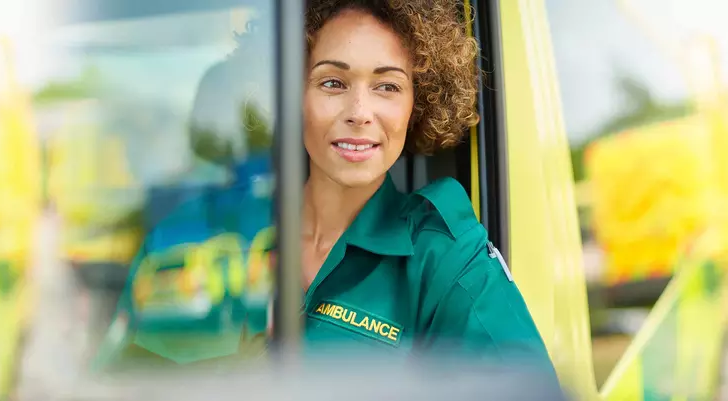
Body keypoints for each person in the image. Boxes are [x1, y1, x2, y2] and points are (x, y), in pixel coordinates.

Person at [95, 0, 557, 380]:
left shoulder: (445, 259)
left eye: (387, 86)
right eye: (333, 82)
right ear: (288, 94)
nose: (360, 111)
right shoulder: (195, 235)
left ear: (418, 102)